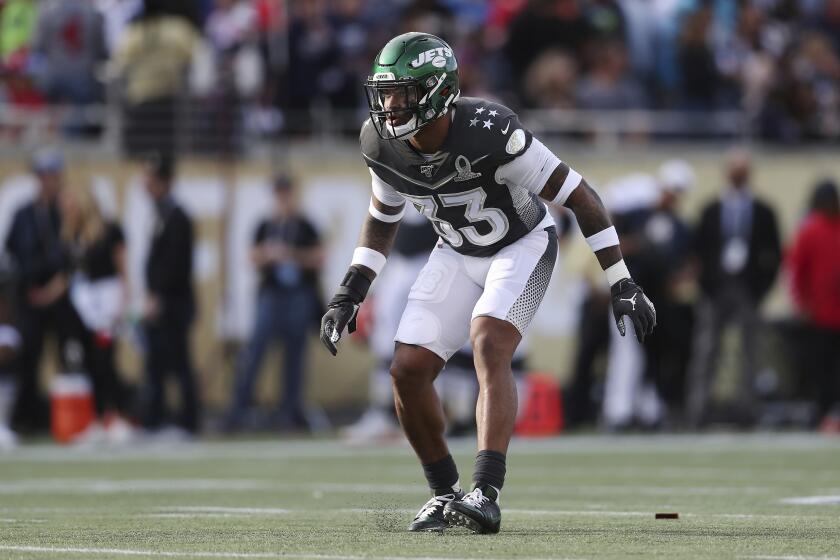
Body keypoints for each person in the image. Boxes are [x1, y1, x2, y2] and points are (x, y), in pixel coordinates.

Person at [319, 32, 656, 534]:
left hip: (521, 244)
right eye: (385, 92)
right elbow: (382, 217)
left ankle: (486, 491)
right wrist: (351, 290)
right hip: (456, 250)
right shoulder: (380, 143)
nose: (389, 105)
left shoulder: (490, 131)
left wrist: (621, 280)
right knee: (407, 371)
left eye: (402, 92)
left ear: (437, 92)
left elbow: (580, 195)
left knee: (489, 342)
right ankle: (444, 494)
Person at [686, 148, 781, 428]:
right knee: (706, 351)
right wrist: (704, 285)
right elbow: (697, 251)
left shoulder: (764, 212)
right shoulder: (711, 210)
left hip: (747, 289)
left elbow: (775, 253)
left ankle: (747, 411)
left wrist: (762, 288)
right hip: (716, 289)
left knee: (750, 352)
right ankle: (699, 411)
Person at [225, 175, 323, 432]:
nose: (282, 199)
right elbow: (251, 255)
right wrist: (269, 254)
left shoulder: (304, 226)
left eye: (286, 193)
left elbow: (318, 257)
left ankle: (290, 413)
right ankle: (239, 410)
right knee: (255, 352)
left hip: (298, 294)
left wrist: (290, 254)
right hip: (271, 295)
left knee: (294, 355)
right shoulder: (265, 225)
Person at [3, 148, 73, 432]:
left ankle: (66, 417)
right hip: (29, 297)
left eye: (52, 176)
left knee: (66, 356)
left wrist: (52, 288)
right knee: (28, 358)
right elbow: (12, 250)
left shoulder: (66, 212)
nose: (48, 181)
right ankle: (26, 416)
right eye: (44, 176)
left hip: (60, 297)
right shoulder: (23, 214)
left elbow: (71, 257)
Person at [59, 183, 132, 443]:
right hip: (83, 304)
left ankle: (119, 416)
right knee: (89, 362)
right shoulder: (72, 235)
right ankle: (99, 418)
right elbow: (71, 274)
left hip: (106, 302)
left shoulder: (110, 230)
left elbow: (122, 268)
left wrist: (124, 300)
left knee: (105, 360)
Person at [141, 154, 199, 435]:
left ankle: (187, 421)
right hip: (162, 302)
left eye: (151, 180)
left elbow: (175, 265)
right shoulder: (162, 214)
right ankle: (157, 418)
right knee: (158, 363)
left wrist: (158, 295)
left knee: (178, 363)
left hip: (173, 304)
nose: (147, 186)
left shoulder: (177, 218)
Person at [785, 180, 840, 433]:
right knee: (823, 369)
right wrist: (801, 303)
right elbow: (796, 270)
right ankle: (824, 414)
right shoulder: (809, 231)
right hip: (820, 314)